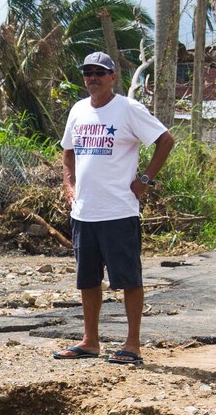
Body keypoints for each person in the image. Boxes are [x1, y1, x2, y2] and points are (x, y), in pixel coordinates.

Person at [52, 52, 176, 366]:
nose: (92, 77)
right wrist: (69, 184)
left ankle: (132, 344)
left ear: (112, 77)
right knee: (88, 279)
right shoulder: (78, 110)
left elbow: (165, 140)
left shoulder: (128, 109)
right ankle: (89, 341)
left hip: (119, 211)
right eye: (87, 72)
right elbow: (68, 152)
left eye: (99, 72)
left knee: (129, 279)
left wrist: (145, 179)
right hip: (85, 212)